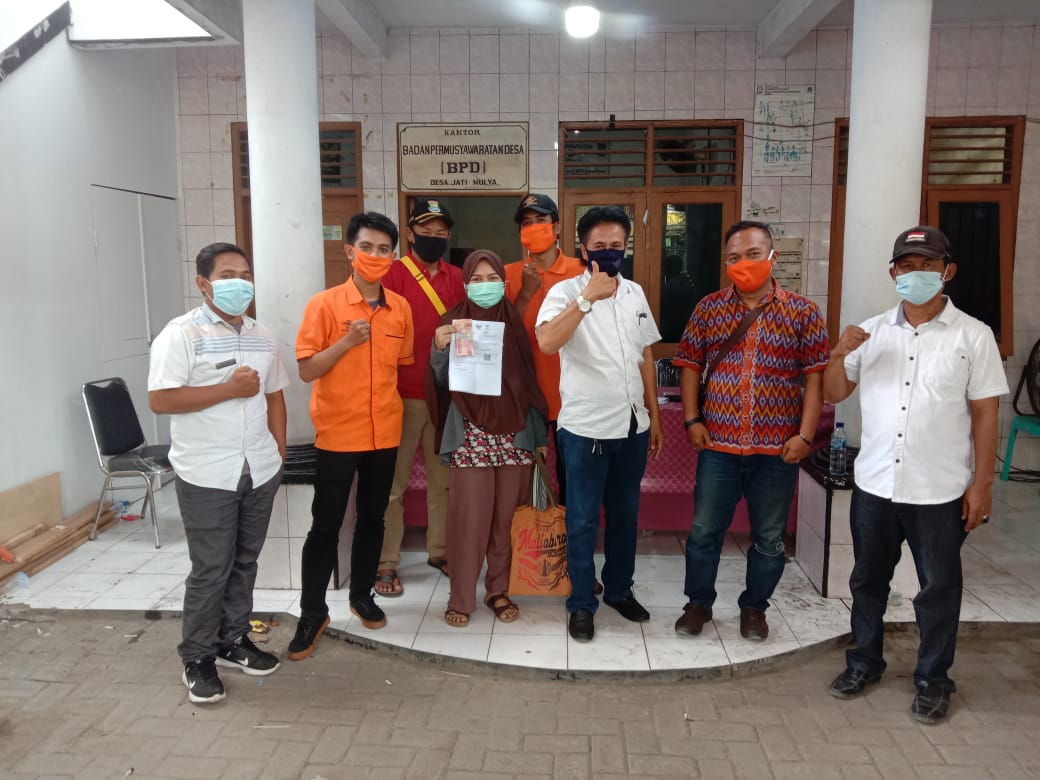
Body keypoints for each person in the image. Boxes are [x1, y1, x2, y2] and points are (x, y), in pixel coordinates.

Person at [823, 226, 1008, 724]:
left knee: (938, 590)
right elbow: (834, 392)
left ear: (948, 271)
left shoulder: (973, 336)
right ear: (893, 273)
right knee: (867, 581)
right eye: (907, 266)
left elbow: (985, 414)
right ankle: (864, 663)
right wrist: (838, 353)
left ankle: (933, 679)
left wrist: (982, 483)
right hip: (876, 485)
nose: (917, 274)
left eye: (928, 265)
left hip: (939, 490)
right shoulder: (872, 332)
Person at [672, 220, 829, 642]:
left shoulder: (802, 312)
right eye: (734, 257)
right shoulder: (709, 308)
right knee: (704, 532)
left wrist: (806, 436)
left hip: (777, 451)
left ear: (772, 257)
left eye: (753, 254)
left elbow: (815, 378)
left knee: (769, 538)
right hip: (718, 447)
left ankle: (755, 608)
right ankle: (698, 603)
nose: (744, 263)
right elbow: (689, 365)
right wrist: (692, 419)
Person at [148, 242, 289, 704]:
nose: (240, 283)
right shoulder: (182, 334)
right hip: (207, 472)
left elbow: (274, 395)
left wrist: (278, 451)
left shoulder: (262, 335)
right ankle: (197, 657)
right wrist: (228, 389)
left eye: (245, 275)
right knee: (211, 569)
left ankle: (233, 640)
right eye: (228, 275)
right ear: (203, 283)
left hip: (258, 468)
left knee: (246, 561)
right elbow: (161, 399)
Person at [289, 212, 414, 659]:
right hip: (338, 434)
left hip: (385, 432)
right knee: (325, 526)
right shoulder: (324, 305)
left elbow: (399, 367)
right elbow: (307, 370)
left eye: (383, 249)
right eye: (367, 247)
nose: (375, 256)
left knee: (373, 519)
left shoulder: (400, 308)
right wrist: (345, 343)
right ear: (349, 251)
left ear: (393, 256)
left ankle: (362, 595)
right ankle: (312, 612)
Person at [536, 206, 664, 642]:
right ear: (583, 248)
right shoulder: (564, 292)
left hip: (632, 426)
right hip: (585, 429)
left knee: (625, 517)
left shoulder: (635, 293)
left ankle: (619, 591)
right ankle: (580, 603)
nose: (609, 252)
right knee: (583, 521)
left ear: (626, 248)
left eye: (617, 245)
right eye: (600, 246)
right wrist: (587, 298)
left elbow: (645, 353)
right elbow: (547, 341)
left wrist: (654, 415)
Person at [428, 249, 549, 627]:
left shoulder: (514, 325)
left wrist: (538, 437)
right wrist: (439, 349)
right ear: (465, 285)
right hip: (471, 436)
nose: (485, 286)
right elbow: (440, 382)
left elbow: (529, 385)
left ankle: (498, 589)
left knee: (506, 522)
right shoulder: (452, 324)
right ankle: (461, 596)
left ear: (503, 282)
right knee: (468, 521)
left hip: (515, 437)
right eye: (477, 280)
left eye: (492, 279)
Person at [376, 199, 465, 597]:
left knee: (442, 482)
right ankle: (386, 562)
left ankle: (439, 551)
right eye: (425, 231)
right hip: (401, 397)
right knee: (392, 485)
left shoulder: (458, 277)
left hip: (445, 397)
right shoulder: (392, 274)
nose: (433, 237)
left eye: (440, 232)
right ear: (410, 234)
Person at [504, 193, 584, 504]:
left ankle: (571, 534)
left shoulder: (582, 271)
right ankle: (534, 535)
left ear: (557, 227)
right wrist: (525, 293)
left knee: (573, 479)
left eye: (541, 220)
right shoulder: (507, 275)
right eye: (526, 223)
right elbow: (503, 336)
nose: (534, 227)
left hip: (573, 398)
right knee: (526, 481)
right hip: (526, 398)